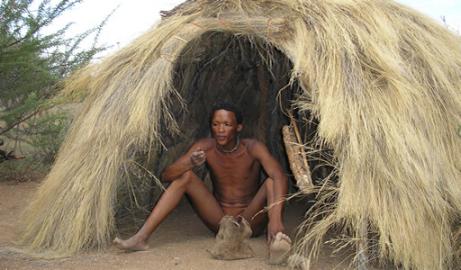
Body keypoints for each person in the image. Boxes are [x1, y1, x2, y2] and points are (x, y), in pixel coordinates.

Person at [114, 102, 291, 263]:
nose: (220, 129)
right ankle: (141, 238)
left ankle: (276, 238)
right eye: (216, 124)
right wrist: (189, 162)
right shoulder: (205, 146)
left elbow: (280, 177)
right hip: (220, 222)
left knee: (271, 181)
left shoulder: (252, 148)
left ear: (238, 127)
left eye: (227, 125)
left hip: (250, 220)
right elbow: (166, 176)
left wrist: (275, 220)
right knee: (185, 176)